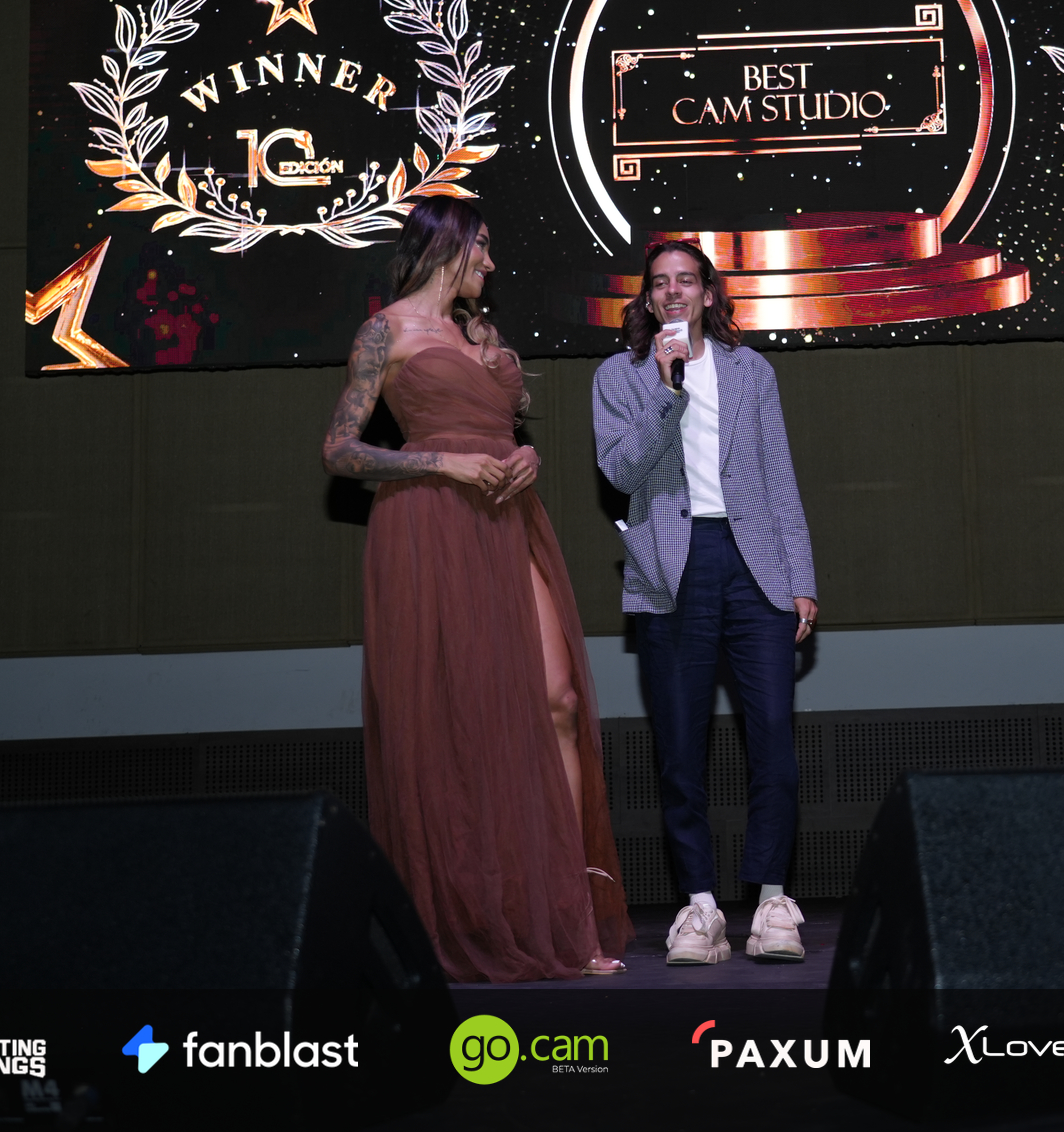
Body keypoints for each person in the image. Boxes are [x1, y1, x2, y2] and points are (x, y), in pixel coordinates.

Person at [322, 195, 629, 980]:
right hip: (428, 525)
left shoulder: (481, 335)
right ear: (447, 245)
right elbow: (340, 451)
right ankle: (468, 915)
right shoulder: (384, 332)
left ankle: (566, 914)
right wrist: (441, 460)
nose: (491, 263)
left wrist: (527, 456)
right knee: (455, 720)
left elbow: (505, 433)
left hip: (506, 517)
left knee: (559, 700)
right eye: (482, 247)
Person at [592, 239, 818, 966]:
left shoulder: (751, 371)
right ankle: (700, 908)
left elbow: (779, 475)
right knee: (680, 751)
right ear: (647, 298)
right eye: (661, 283)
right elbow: (621, 471)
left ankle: (773, 901)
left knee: (773, 739)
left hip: (756, 567)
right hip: (673, 570)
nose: (674, 292)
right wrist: (667, 390)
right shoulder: (619, 376)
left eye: (687, 280)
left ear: (709, 293)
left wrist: (802, 576)